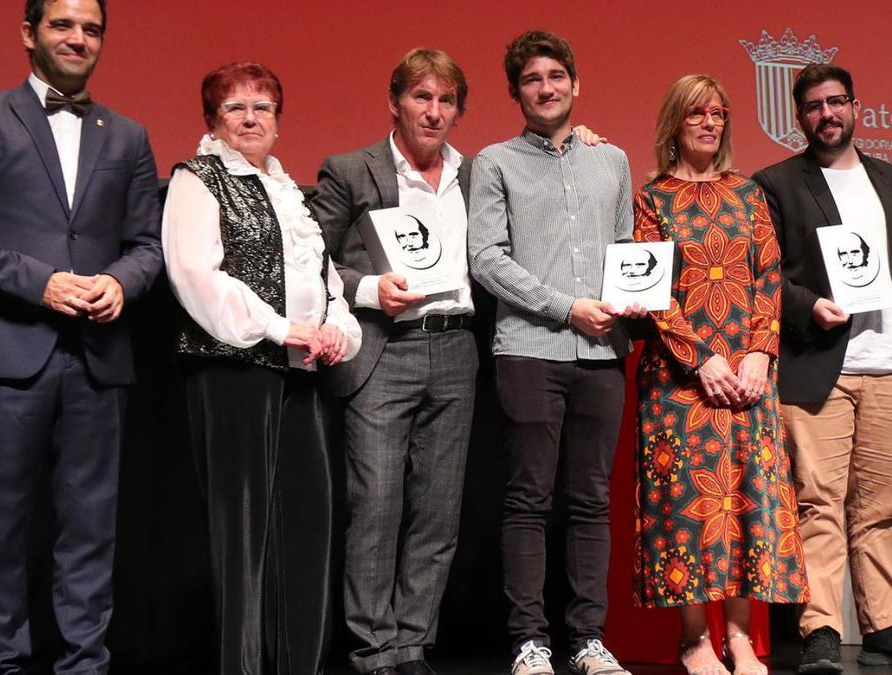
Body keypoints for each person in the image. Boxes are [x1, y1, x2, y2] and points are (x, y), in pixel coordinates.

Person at [162, 61, 361, 675]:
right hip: (234, 376)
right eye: (235, 108)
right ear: (212, 121)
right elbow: (196, 278)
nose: (251, 119)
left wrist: (337, 331)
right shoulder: (198, 180)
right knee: (242, 542)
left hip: (299, 376)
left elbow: (326, 284)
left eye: (263, 107)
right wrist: (280, 328)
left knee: (306, 527)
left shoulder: (287, 190)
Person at [751, 63, 892, 673]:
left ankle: (887, 624)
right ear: (799, 116)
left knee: (882, 507)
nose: (827, 114)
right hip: (820, 366)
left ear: (857, 107)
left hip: (890, 365)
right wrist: (809, 305)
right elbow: (764, 278)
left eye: (836, 102)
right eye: (813, 106)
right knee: (818, 503)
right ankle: (820, 630)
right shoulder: (776, 182)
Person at [468, 29, 645, 675]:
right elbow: (485, 258)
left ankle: (588, 640)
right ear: (517, 93)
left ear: (576, 83)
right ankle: (529, 641)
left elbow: (627, 247)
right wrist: (563, 305)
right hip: (529, 349)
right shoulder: (493, 162)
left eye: (555, 75)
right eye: (532, 80)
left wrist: (627, 298)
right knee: (528, 498)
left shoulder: (613, 160)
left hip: (602, 353)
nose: (546, 87)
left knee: (591, 500)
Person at [0, 1, 162, 671]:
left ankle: (83, 665)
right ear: (28, 32)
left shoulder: (126, 134)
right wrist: (41, 283)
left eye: (91, 29)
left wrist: (123, 281)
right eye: (63, 24)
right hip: (12, 354)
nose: (78, 38)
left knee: (91, 529)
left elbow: (146, 244)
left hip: (98, 360)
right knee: (2, 528)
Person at [632, 74, 809, 675]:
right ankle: (693, 639)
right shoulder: (651, 199)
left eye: (718, 113)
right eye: (696, 114)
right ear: (674, 124)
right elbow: (652, 292)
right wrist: (701, 359)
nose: (710, 123)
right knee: (688, 503)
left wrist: (758, 354)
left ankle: (737, 636)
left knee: (744, 502)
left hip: (750, 377)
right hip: (679, 380)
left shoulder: (748, 193)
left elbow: (768, 278)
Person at [311, 48, 479, 675]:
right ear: (395, 102)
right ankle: (374, 649)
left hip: (456, 347)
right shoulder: (351, 169)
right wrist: (364, 289)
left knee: (438, 511)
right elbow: (308, 254)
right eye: (421, 97)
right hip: (384, 349)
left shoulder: (475, 174)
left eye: (445, 100)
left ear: (458, 110)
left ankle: (413, 643)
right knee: (376, 505)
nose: (433, 112)